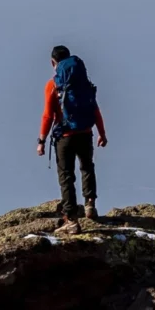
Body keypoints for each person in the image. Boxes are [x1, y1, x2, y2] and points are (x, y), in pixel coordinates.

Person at [36, 44, 107, 230]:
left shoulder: (53, 85)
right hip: (85, 133)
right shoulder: (83, 82)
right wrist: (102, 133)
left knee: (66, 177)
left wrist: (41, 141)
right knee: (87, 168)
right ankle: (90, 205)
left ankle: (72, 220)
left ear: (53, 62)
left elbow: (48, 115)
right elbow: (95, 108)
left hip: (65, 136)